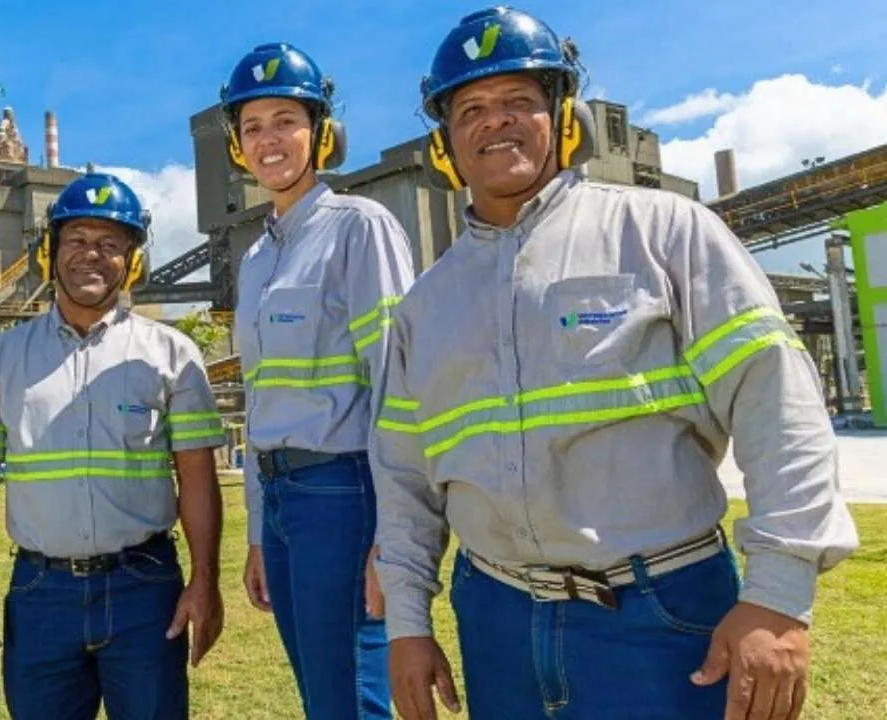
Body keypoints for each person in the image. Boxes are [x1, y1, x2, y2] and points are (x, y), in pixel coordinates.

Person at [371, 6, 861, 720]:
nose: (494, 122)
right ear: (444, 141)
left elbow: (773, 398)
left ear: (565, 120)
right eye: (471, 107)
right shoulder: (424, 306)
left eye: (519, 102)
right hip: (496, 616)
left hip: (661, 613)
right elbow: (404, 476)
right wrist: (409, 624)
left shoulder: (665, 231)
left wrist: (780, 593)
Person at [0, 172, 226, 720]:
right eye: (75, 240)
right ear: (51, 252)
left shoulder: (171, 355)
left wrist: (205, 582)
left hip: (145, 589)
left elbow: (197, 475)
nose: (90, 255)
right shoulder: (1, 359)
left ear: (132, 259)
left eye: (109, 243)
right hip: (40, 593)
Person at [220, 42, 416, 718]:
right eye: (252, 127)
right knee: (320, 697)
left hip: (342, 490)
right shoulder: (255, 258)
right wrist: (255, 533)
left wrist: (393, 534)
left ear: (321, 133)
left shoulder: (359, 228)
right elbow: (257, 397)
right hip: (280, 499)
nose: (268, 140)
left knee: (353, 697)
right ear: (237, 148)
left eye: (285, 121)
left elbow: (397, 379)